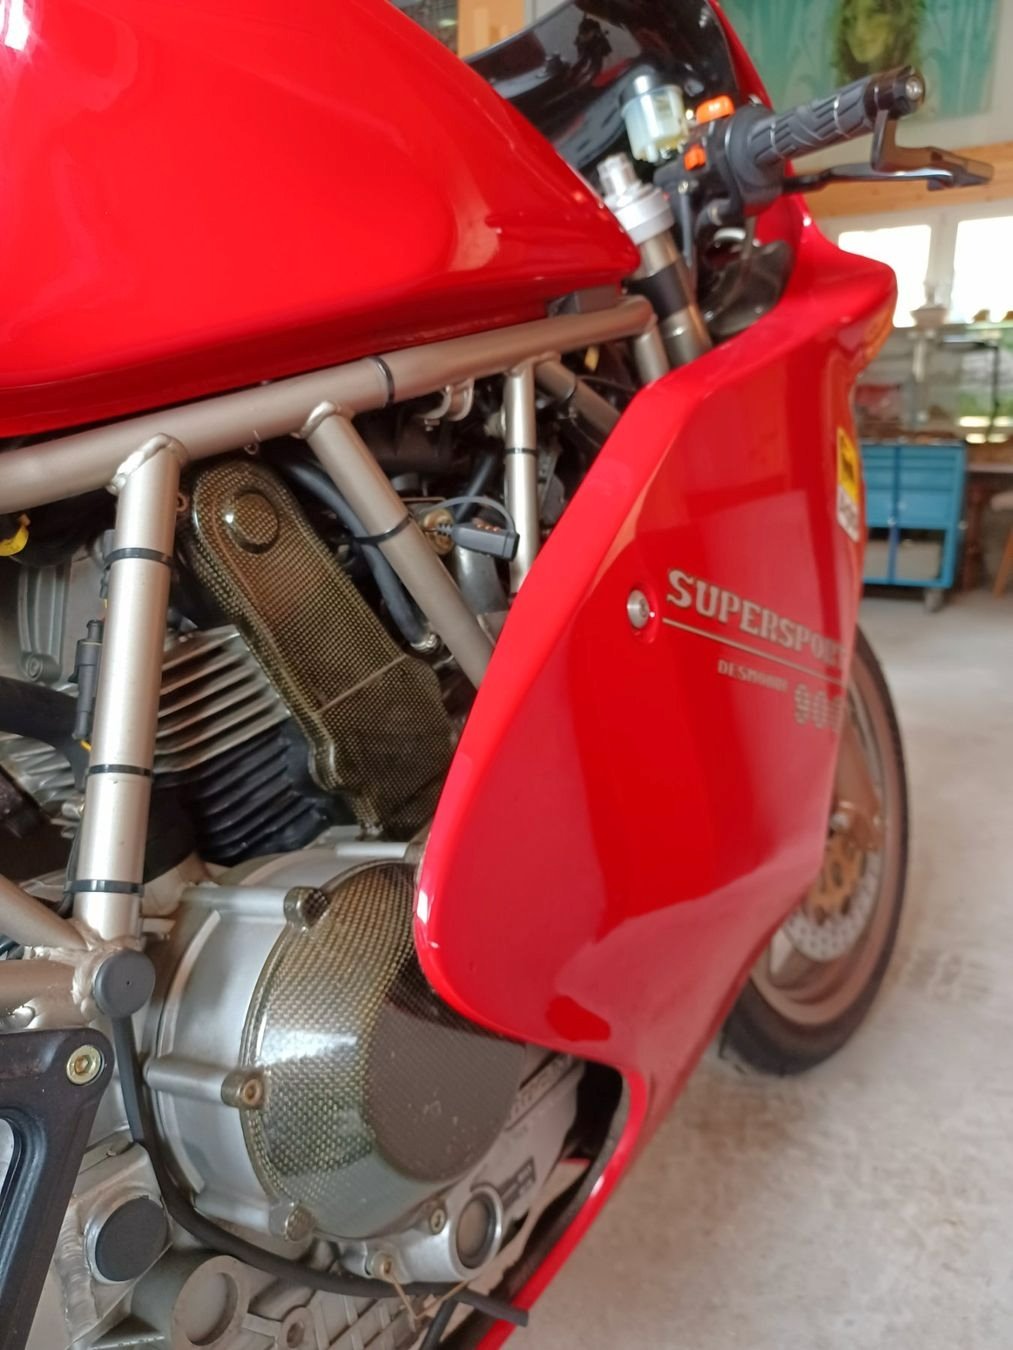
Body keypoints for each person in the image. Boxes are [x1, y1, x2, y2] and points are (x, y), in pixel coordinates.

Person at [834, 0, 923, 82]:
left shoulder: (914, 86)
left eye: (872, 14)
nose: (859, 31)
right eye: (850, 19)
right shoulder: (844, 86)